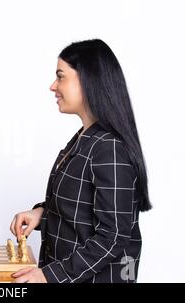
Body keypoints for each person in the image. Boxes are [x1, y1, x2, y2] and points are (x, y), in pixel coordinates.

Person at [10, 39, 151, 283]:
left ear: (88, 80)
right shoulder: (85, 138)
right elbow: (81, 211)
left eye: (61, 76)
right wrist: (41, 214)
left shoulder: (109, 148)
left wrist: (49, 276)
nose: (53, 86)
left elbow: (113, 237)